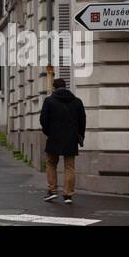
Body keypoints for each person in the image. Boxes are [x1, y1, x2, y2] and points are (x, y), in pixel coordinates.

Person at [40, 77, 87, 205]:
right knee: (69, 167)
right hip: (71, 138)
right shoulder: (77, 102)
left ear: (54, 88)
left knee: (51, 163)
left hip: (54, 137)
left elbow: (43, 120)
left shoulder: (49, 101)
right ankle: (68, 194)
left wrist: (48, 132)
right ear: (66, 86)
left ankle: (52, 191)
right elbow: (82, 121)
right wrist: (80, 135)